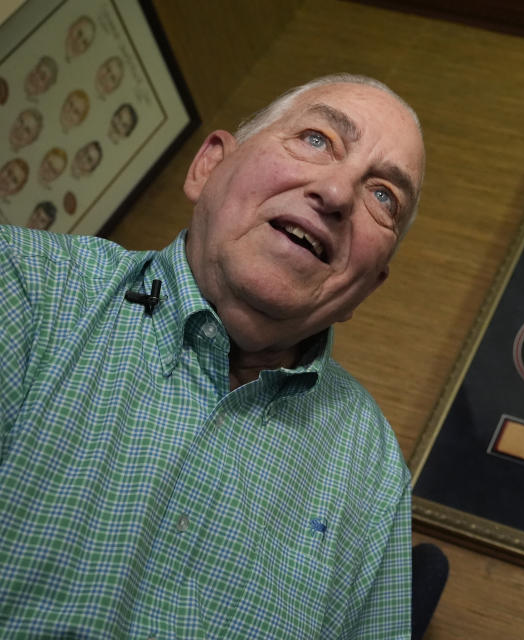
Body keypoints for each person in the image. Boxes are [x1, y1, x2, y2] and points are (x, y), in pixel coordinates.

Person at [0, 73, 425, 637]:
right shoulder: (25, 285)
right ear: (208, 167)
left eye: (383, 197)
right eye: (318, 139)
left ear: (368, 288)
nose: (339, 194)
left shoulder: (371, 472)